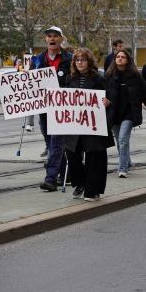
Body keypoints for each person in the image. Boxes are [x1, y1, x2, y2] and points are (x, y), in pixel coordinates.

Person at [64, 48, 114, 201]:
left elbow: (110, 96)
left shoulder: (99, 78)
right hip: (75, 126)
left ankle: (92, 190)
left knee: (94, 157)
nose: (80, 62)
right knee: (72, 156)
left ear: (89, 61)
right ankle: (80, 183)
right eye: (77, 59)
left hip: (94, 125)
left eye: (83, 59)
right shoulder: (70, 79)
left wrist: (107, 102)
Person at [105, 50, 146, 178]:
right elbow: (101, 91)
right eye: (118, 57)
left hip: (129, 114)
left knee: (123, 140)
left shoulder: (135, 76)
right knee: (119, 141)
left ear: (128, 60)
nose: (120, 59)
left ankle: (122, 169)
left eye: (123, 57)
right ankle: (127, 162)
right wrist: (103, 100)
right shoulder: (109, 76)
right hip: (114, 114)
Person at [35, 26, 73, 191]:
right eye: (49, 36)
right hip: (44, 107)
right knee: (50, 142)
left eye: (55, 36)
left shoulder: (69, 59)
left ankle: (50, 178)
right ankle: (66, 172)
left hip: (62, 108)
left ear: (61, 39)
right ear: (46, 39)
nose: (52, 39)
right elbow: (30, 82)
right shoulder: (37, 60)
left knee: (57, 142)